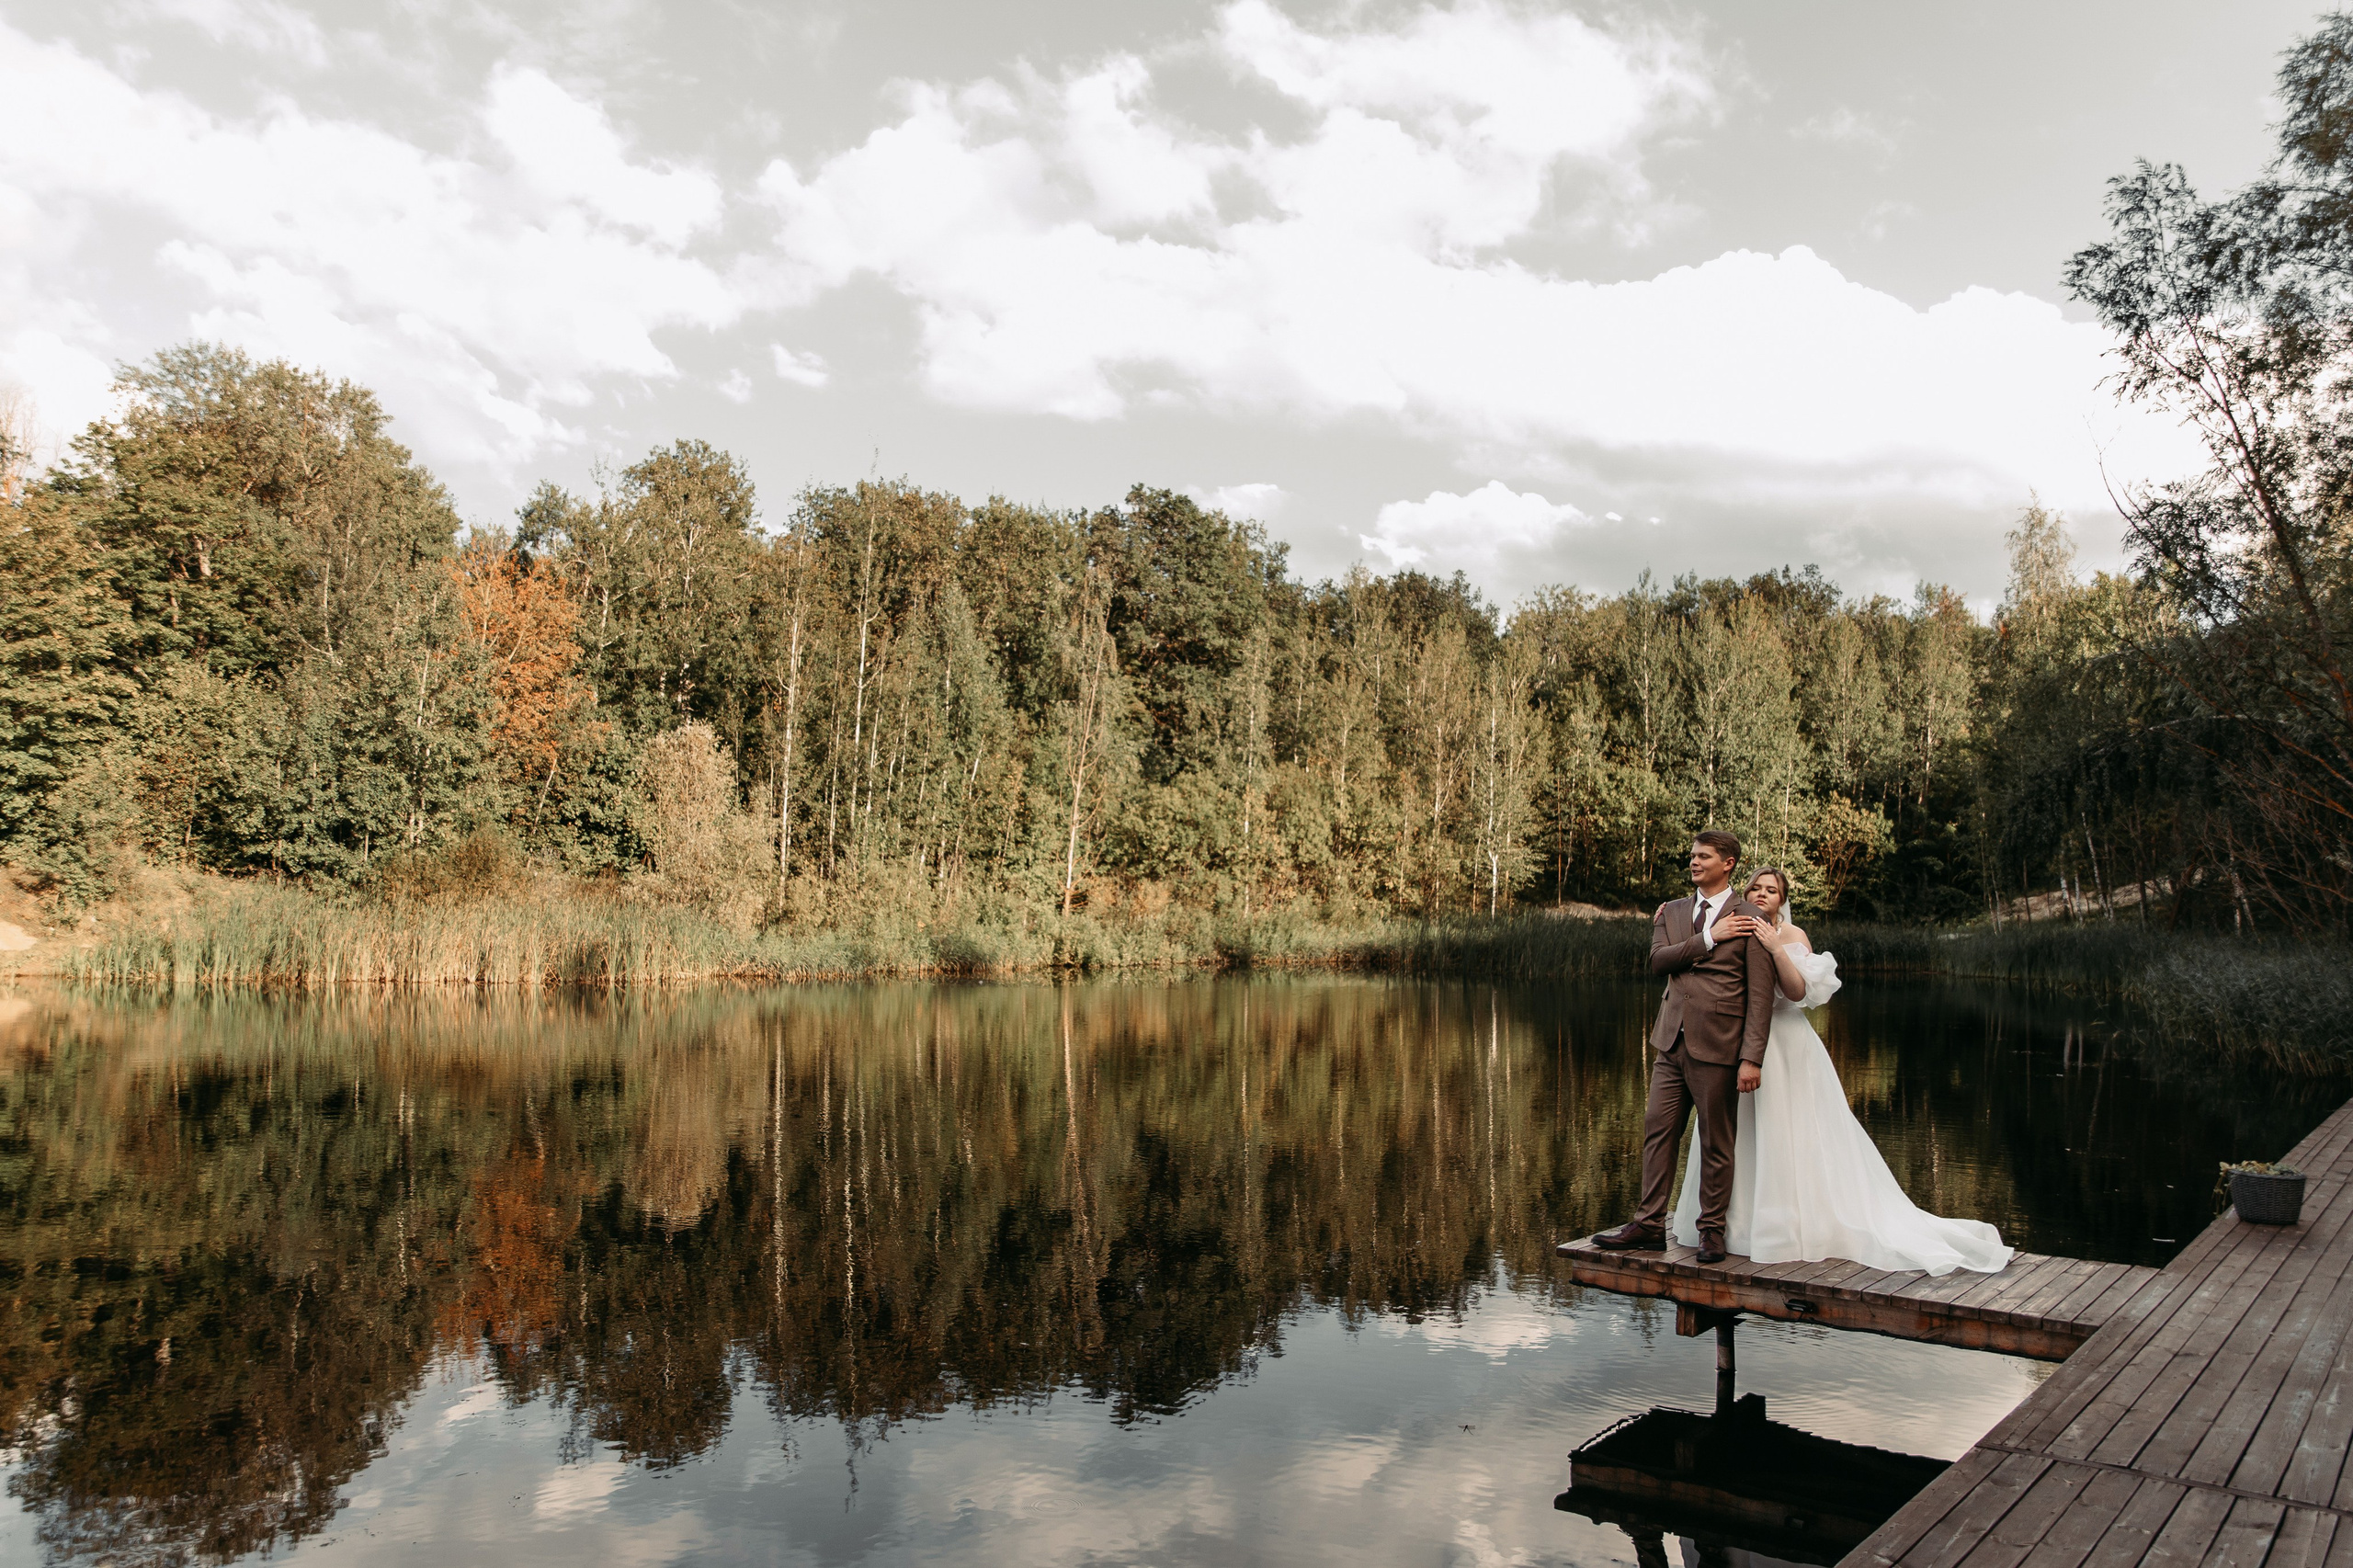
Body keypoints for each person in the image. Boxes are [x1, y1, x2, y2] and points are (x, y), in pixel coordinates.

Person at [1666, 867, 2012, 1276]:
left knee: (1786, 1131)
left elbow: (1797, 992)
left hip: (1785, 1047)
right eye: (1755, 888)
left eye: (1771, 890)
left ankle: (1786, 1226)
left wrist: (1775, 947)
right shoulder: (1731, 927)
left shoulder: (1791, 937)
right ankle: (1729, 1224)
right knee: (1732, 1132)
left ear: (1782, 899)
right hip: (1734, 1042)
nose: (1762, 894)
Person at [1590, 830, 1776, 1266]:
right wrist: (1711, 938)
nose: (1693, 863)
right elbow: (1658, 961)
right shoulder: (1670, 911)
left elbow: (1761, 996)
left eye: (1703, 856)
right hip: (1669, 1042)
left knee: (1715, 1141)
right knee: (1658, 1129)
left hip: (1720, 1046)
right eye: (1691, 856)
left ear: (1727, 863)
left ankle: (1712, 1231)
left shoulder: (1750, 916)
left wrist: (1752, 1057)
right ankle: (1649, 1224)